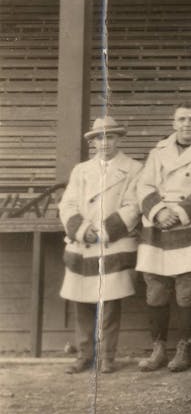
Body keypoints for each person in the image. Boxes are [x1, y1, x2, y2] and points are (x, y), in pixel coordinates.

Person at [133, 102, 191, 373]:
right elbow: (145, 185)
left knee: (187, 292)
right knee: (156, 291)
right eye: (182, 119)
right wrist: (160, 212)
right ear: (174, 123)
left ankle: (185, 347)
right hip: (157, 225)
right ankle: (158, 347)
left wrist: (179, 214)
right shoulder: (158, 152)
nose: (187, 124)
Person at [57, 117, 141, 374]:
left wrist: (104, 232)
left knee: (109, 302)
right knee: (82, 301)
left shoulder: (134, 169)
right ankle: (85, 354)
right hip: (83, 242)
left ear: (119, 139)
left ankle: (107, 356)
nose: (105, 143)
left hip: (111, 241)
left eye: (111, 137)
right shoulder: (81, 170)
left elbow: (132, 206)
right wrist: (83, 230)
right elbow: (67, 204)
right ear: (93, 141)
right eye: (100, 138)